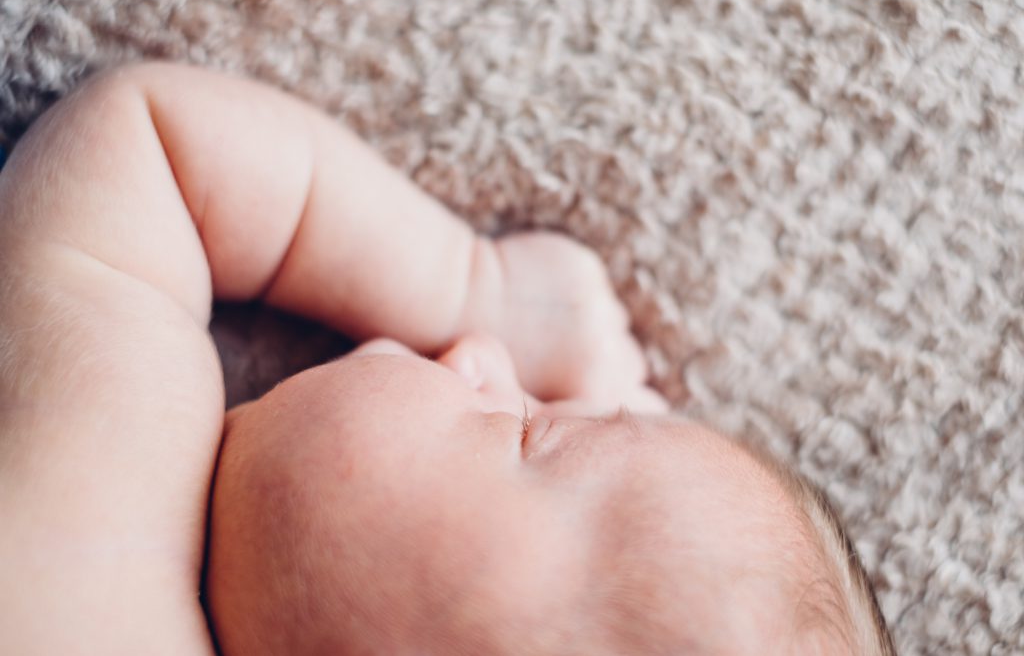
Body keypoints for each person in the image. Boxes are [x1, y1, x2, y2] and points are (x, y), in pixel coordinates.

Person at [0, 62, 895, 655]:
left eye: (530, 431)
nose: (484, 359)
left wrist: (469, 282)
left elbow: (150, 148)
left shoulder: (97, 565)